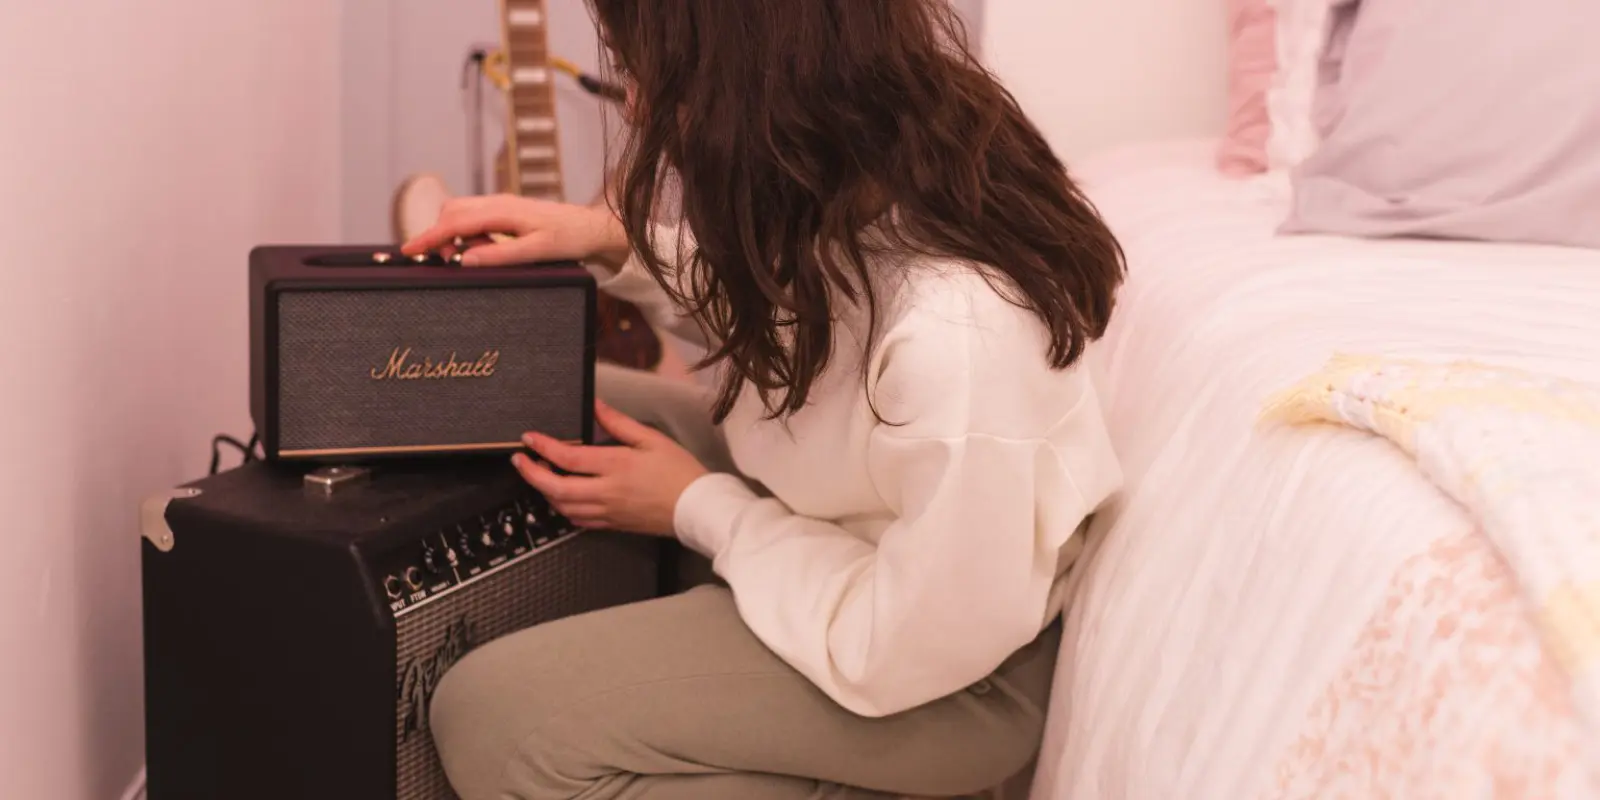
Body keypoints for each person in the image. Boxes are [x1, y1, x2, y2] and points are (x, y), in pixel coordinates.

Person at [401, 1, 1126, 797]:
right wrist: (603, 239)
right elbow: (803, 304)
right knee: (550, 397)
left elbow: (907, 646)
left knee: (489, 715)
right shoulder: (868, 169)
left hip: (940, 678)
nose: (634, 105)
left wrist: (698, 507)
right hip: (855, 549)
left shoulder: (960, 339)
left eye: (642, 70)